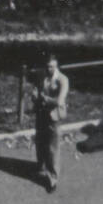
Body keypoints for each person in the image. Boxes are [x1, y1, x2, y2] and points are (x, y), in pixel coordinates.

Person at [32, 54, 69, 192]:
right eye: (47, 66)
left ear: (57, 66)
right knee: (40, 141)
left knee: (53, 148)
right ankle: (40, 166)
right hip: (41, 113)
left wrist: (45, 98)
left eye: (52, 66)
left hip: (54, 116)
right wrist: (34, 95)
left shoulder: (63, 80)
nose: (49, 69)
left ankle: (53, 179)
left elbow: (60, 101)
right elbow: (36, 88)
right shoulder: (42, 76)